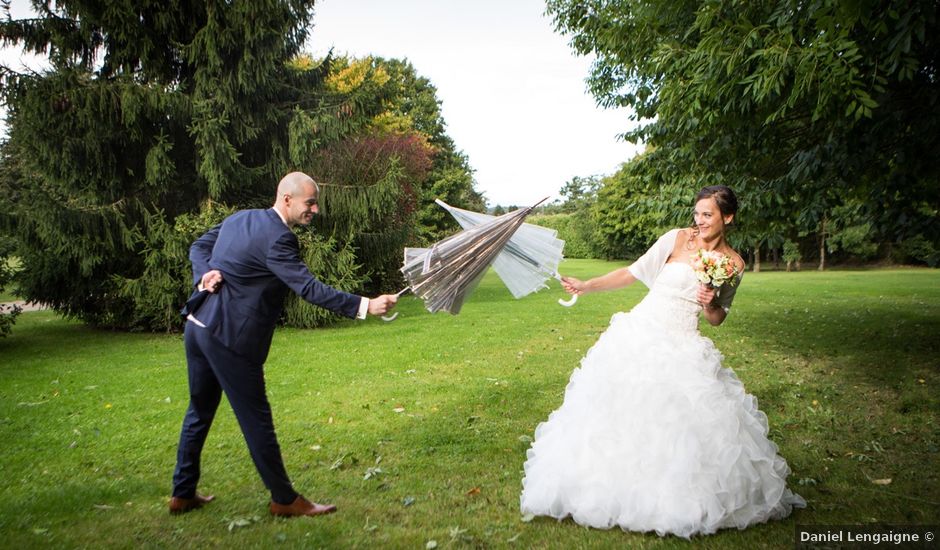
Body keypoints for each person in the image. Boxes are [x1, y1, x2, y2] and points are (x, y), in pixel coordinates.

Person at [519, 185, 805, 538]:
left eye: (708, 215)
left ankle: (676, 496)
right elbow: (632, 272)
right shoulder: (676, 239)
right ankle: (608, 485)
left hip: (684, 342)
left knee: (680, 422)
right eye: (697, 213)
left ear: (727, 218)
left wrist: (710, 301)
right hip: (640, 331)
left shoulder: (733, 263)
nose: (699, 221)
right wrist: (587, 285)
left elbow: (717, 318)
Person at [169, 172, 398, 517]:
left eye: (316, 202)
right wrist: (365, 305)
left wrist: (203, 271)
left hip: (197, 326)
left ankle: (182, 493)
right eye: (310, 202)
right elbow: (308, 288)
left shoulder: (241, 219)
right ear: (287, 199)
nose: (315, 209)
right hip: (229, 339)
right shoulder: (278, 239)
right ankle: (284, 499)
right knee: (256, 419)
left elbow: (199, 246)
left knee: (199, 411)